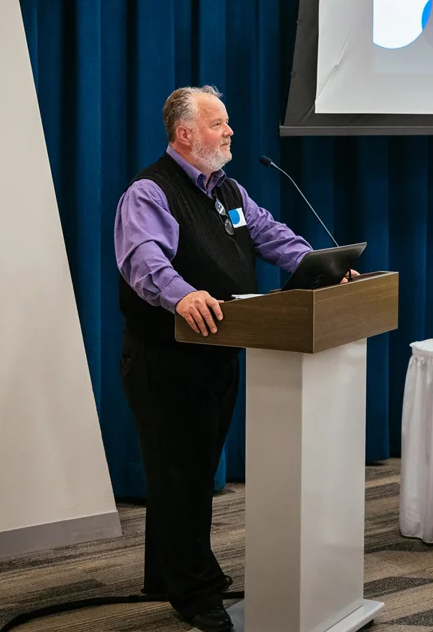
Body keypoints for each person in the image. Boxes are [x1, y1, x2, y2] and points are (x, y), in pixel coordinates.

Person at [114, 85, 314, 632]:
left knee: (193, 472)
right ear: (185, 134)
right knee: (178, 474)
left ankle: (169, 574)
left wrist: (318, 265)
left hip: (218, 352)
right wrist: (181, 295)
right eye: (217, 124)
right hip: (166, 356)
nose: (229, 132)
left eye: (226, 122)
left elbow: (270, 236)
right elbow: (144, 259)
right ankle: (194, 594)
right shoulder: (149, 192)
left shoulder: (228, 190)